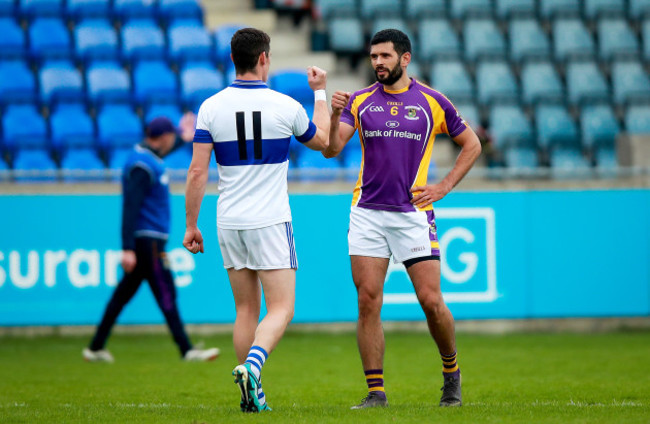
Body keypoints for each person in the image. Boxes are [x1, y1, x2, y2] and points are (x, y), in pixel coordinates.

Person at [324, 29, 482, 409]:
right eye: (373, 56)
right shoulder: (360, 101)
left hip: (413, 215)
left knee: (431, 301)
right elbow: (331, 149)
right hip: (367, 214)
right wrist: (332, 115)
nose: (377, 62)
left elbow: (472, 144)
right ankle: (376, 392)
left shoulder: (432, 101)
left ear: (405, 58)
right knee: (368, 301)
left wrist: (442, 187)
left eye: (385, 56)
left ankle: (451, 375)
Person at [182, 28, 330, 413]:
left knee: (245, 310)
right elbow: (324, 141)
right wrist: (319, 92)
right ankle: (251, 368)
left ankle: (251, 395)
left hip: (228, 220)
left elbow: (197, 173)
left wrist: (190, 225)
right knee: (281, 308)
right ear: (264, 58)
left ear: (234, 59)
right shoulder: (285, 105)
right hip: (269, 219)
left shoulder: (211, 107)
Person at [83, 114, 220, 363]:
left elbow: (163, 150)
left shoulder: (146, 158)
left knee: (122, 295)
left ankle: (95, 347)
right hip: (148, 242)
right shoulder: (142, 166)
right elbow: (131, 207)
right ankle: (186, 350)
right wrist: (127, 248)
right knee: (165, 292)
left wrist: (185, 138)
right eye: (172, 138)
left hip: (148, 240)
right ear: (164, 137)